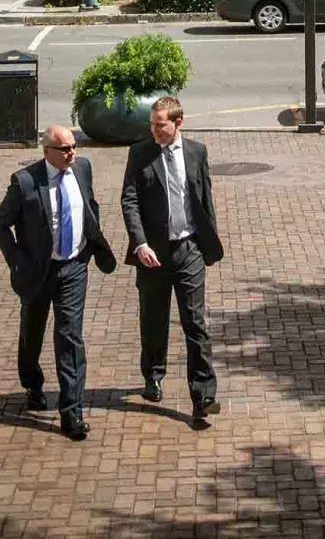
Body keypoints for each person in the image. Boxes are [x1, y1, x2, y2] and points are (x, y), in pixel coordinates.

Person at [0, 123, 117, 440]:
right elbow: (0, 225)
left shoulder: (83, 168)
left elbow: (90, 204)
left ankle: (72, 412)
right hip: (37, 271)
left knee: (69, 336)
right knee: (32, 331)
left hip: (73, 267)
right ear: (47, 151)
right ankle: (32, 383)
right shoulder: (25, 182)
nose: (72, 152)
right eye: (64, 149)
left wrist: (88, 246)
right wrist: (17, 262)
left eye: (73, 146)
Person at [121, 96, 223, 425]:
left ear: (177, 123)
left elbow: (204, 198)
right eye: (151, 124)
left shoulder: (196, 152)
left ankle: (203, 395)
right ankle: (153, 375)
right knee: (154, 320)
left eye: (159, 124)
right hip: (153, 253)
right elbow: (130, 199)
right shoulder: (140, 153)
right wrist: (139, 244)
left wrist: (208, 242)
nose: (154, 130)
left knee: (195, 323)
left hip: (188, 248)